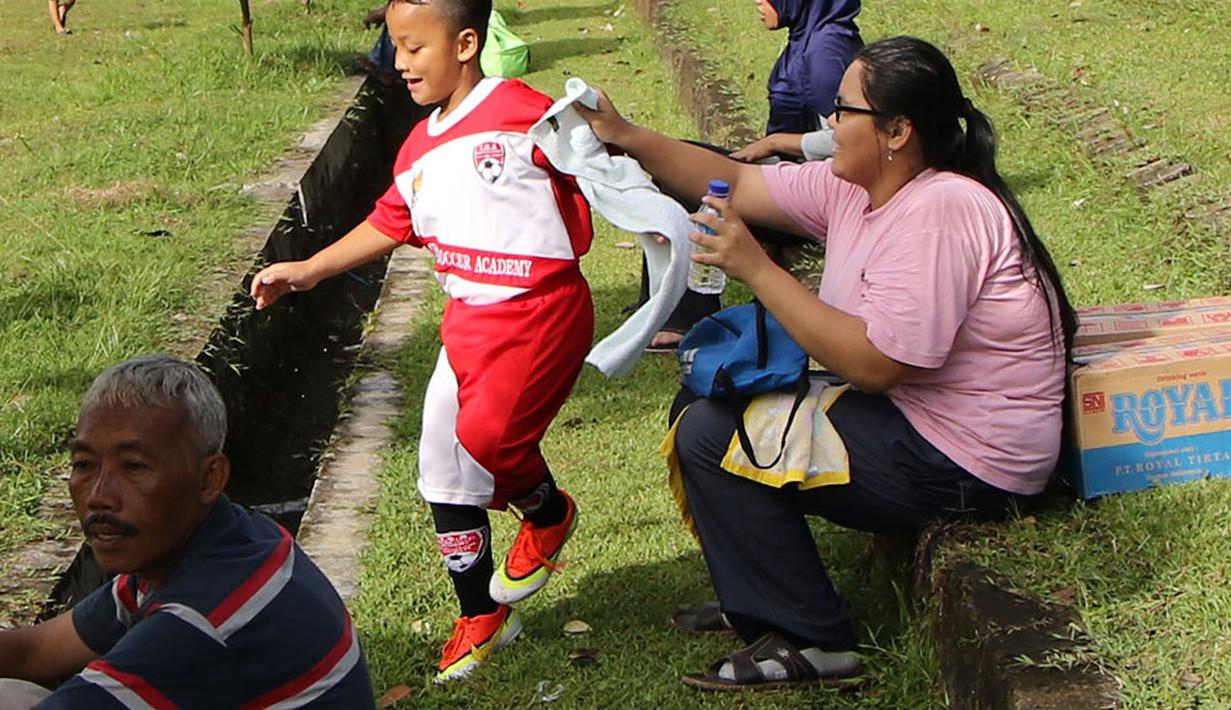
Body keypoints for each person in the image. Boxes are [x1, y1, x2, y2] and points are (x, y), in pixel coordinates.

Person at [577, 35, 1076, 691]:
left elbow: (873, 366)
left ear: (896, 130)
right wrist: (628, 135)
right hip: (909, 420)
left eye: (844, 111)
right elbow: (743, 180)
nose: (828, 125)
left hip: (968, 460)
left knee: (714, 433)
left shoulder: (940, 210)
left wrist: (752, 266)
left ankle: (812, 643)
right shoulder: (857, 186)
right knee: (703, 395)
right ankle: (755, 597)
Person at [251, 0, 588, 683]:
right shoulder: (416, 148)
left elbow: (601, 165)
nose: (399, 62)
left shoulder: (523, 112)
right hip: (468, 323)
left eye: (412, 47)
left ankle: (549, 514)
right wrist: (309, 270)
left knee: (491, 443)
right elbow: (390, 221)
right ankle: (483, 614)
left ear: (465, 44)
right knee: (440, 465)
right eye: (394, 47)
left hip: (539, 313)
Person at [0, 355, 376, 708]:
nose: (99, 496)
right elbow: (34, 652)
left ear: (210, 477)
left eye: (133, 467)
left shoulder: (203, 621)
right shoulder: (225, 539)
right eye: (84, 464)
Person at [759, 0, 862, 135]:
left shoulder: (825, 53)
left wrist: (774, 144)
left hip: (802, 155)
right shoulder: (809, 39)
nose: (759, 1)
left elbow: (845, 137)